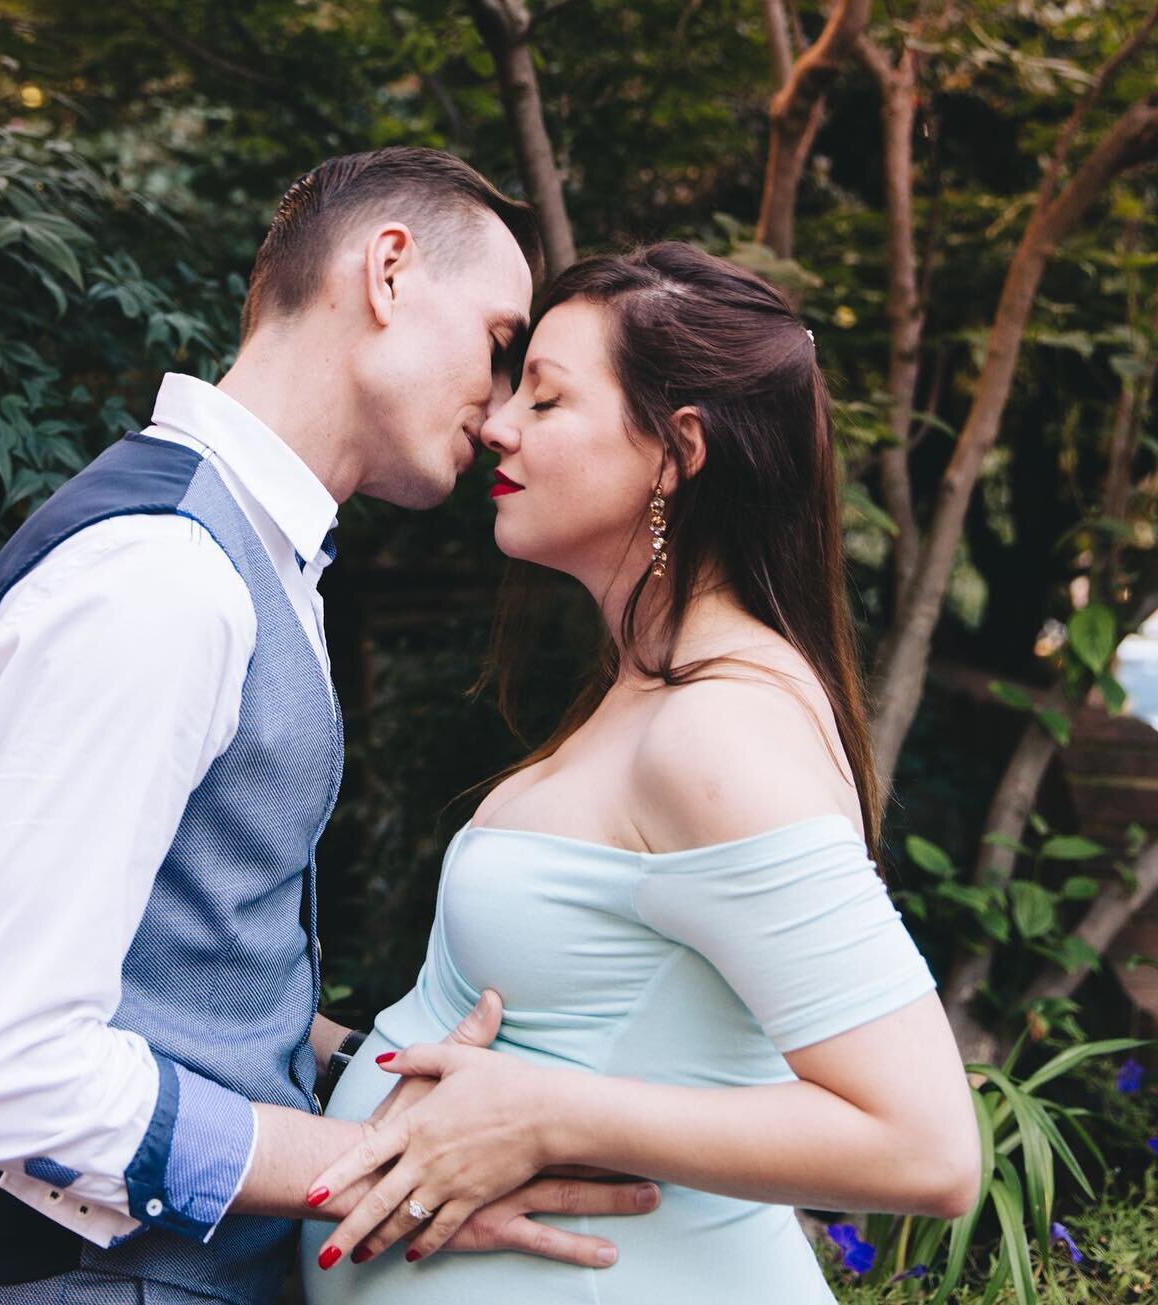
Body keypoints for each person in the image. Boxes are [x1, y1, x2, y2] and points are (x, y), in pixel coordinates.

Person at [0, 149, 663, 1305]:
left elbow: (183, 962)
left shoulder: (247, 558)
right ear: (388, 273)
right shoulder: (160, 580)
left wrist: (389, 1072)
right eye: (502, 344)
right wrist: (389, 1169)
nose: (504, 408)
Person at [297, 241, 982, 1303]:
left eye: (548, 397)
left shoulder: (719, 731)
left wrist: (547, 1115)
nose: (496, 423)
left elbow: (926, 1145)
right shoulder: (651, 692)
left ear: (676, 453)